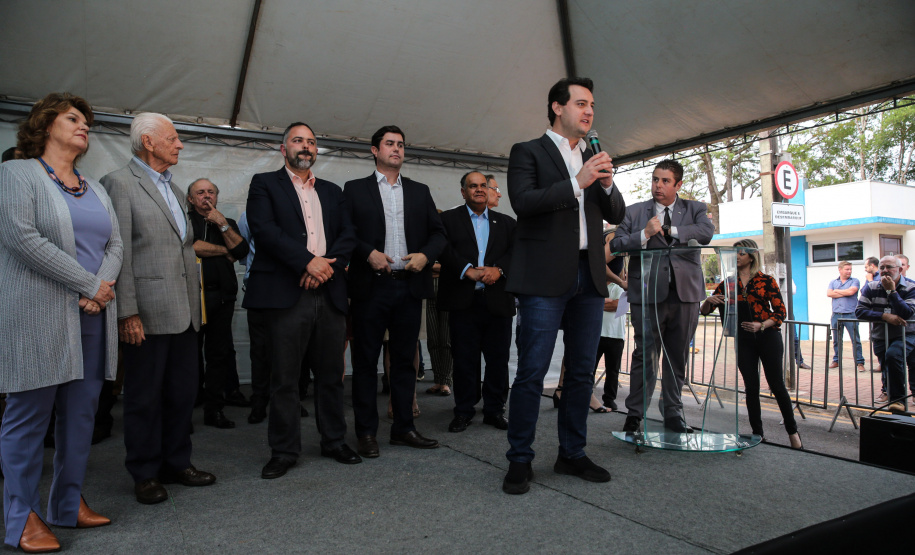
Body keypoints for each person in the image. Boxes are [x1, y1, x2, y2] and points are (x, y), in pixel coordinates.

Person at [0, 92, 121, 551]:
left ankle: (67, 504)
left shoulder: (96, 188)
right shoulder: (15, 174)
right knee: (28, 418)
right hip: (39, 315)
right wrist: (88, 285)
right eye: (73, 118)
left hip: (93, 317)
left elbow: (116, 247)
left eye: (86, 121)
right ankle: (21, 517)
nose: (84, 126)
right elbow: (21, 238)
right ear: (45, 124)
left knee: (81, 416)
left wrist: (101, 287)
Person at [502, 77, 625, 495]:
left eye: (592, 105)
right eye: (580, 103)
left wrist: (605, 182)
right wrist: (579, 182)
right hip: (542, 276)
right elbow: (524, 202)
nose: (589, 111)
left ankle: (572, 453)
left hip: (588, 278)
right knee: (532, 372)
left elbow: (617, 212)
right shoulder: (528, 152)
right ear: (557, 107)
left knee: (580, 374)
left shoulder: (591, 154)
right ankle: (519, 459)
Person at [101, 112, 215, 505]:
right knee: (143, 397)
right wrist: (126, 312)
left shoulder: (174, 186)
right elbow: (120, 254)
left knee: (182, 394)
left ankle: (177, 463)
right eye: (173, 138)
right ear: (148, 142)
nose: (179, 144)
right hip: (145, 315)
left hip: (184, 314)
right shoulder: (119, 183)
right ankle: (145, 472)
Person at [243, 122, 361, 479]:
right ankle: (283, 450)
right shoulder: (264, 184)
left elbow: (348, 235)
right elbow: (265, 232)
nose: (305, 146)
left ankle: (334, 440)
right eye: (298, 140)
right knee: (285, 378)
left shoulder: (331, 190)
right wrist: (306, 261)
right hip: (286, 294)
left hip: (329, 291)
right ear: (283, 149)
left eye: (311, 142)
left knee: (331, 376)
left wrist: (325, 266)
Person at [344, 125, 446, 458]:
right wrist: (366, 252)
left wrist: (425, 255)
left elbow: (439, 234)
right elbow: (344, 233)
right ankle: (366, 433)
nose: (396, 149)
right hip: (370, 287)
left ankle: (403, 428)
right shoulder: (355, 189)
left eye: (401, 144)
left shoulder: (419, 190)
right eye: (389, 144)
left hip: (408, 286)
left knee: (405, 363)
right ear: (375, 150)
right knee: (365, 363)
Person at [611, 159, 715, 434]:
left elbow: (706, 232)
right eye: (655, 179)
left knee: (676, 357)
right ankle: (634, 414)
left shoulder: (695, 208)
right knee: (645, 356)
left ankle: (673, 412)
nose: (658, 185)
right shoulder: (634, 212)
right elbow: (616, 243)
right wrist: (644, 234)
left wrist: (671, 231)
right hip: (647, 295)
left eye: (665, 181)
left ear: (678, 184)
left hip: (685, 295)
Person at [700, 240, 803, 448]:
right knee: (751, 387)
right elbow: (704, 311)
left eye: (741, 253)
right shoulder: (728, 282)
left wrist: (761, 325)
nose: (737, 257)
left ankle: (793, 432)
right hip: (743, 340)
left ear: (751, 256)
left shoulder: (766, 281)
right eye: (735, 254)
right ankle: (757, 433)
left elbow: (781, 312)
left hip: (768, 337)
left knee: (777, 385)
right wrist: (709, 302)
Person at [438, 171, 516, 433]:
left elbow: (516, 252)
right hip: (464, 301)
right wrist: (466, 270)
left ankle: (495, 410)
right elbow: (443, 249)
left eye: (484, 185)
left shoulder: (507, 223)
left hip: (498, 301)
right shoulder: (448, 220)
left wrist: (499, 270)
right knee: (464, 360)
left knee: (497, 360)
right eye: (473, 186)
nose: (479, 190)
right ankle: (463, 411)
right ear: (463, 192)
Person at [187, 178, 250, 429]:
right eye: (200, 192)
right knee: (190, 356)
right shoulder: (184, 221)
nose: (206, 196)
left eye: (211, 192)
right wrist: (225, 250)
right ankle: (186, 411)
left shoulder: (228, 223)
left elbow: (242, 250)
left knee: (218, 355)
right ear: (190, 199)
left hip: (222, 298)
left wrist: (222, 224)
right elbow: (192, 246)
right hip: (193, 297)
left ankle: (215, 410)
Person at [856, 255, 914, 413]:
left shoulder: (911, 287)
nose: (885, 271)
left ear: (900, 270)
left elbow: (907, 313)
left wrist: (892, 292)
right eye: (882, 268)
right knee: (889, 367)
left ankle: (899, 402)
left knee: (894, 356)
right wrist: (884, 316)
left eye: (889, 267)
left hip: (906, 335)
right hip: (881, 336)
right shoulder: (871, 287)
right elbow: (860, 311)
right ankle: (894, 404)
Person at [826, 261, 865, 372]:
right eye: (847, 269)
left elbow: (851, 292)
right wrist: (844, 291)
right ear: (840, 269)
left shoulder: (855, 281)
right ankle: (836, 360)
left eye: (850, 269)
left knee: (855, 339)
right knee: (837, 340)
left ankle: (859, 362)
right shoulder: (833, 281)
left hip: (850, 314)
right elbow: (829, 293)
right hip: (836, 315)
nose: (849, 271)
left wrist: (837, 291)